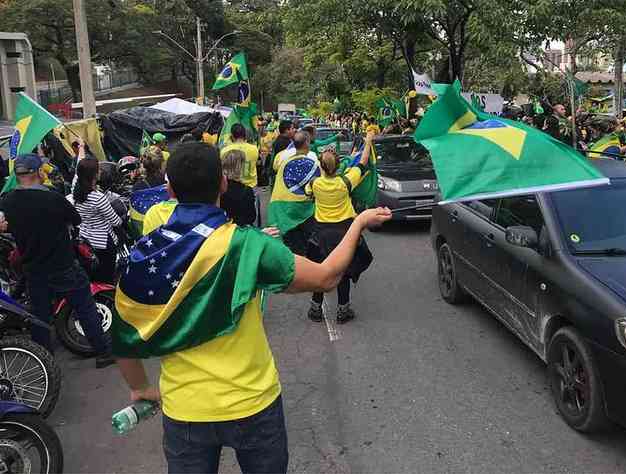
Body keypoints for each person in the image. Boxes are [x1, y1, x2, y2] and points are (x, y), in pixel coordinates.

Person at [114, 142, 391, 474]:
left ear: (169, 189)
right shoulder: (247, 246)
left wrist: (139, 387)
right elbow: (328, 276)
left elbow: (122, 333)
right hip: (253, 404)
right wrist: (358, 223)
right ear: (223, 183)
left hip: (185, 409)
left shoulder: (145, 254)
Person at [0, 154, 112, 367]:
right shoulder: (53, 198)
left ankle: (45, 365)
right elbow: (75, 220)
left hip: (34, 270)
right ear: (38, 173)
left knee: (39, 320)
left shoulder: (8, 201)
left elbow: (7, 226)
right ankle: (103, 352)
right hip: (63, 266)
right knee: (85, 307)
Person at [306, 131, 374, 324]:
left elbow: (307, 193)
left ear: (321, 166)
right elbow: (364, 160)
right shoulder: (346, 181)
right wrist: (368, 141)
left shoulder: (315, 184)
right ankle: (343, 311)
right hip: (345, 233)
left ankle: (315, 309)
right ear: (338, 166)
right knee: (342, 272)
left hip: (321, 233)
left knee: (321, 271)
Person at [68, 157, 123, 283]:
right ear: (94, 175)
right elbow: (116, 221)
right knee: (107, 274)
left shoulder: (75, 189)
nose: (101, 172)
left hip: (85, 237)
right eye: (98, 170)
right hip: (103, 241)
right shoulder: (98, 198)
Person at [268, 131, 318, 256]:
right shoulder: (313, 160)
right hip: (304, 210)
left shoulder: (283, 159)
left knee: (289, 247)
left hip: (282, 208)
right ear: (307, 143)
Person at [220, 149, 257, 226]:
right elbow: (251, 217)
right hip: (241, 231)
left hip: (221, 230)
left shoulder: (217, 188)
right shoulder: (246, 191)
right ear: (240, 167)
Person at [220, 124, 259, 188]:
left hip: (233, 187)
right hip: (251, 186)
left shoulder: (224, 151)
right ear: (244, 135)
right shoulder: (254, 149)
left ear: (232, 135)